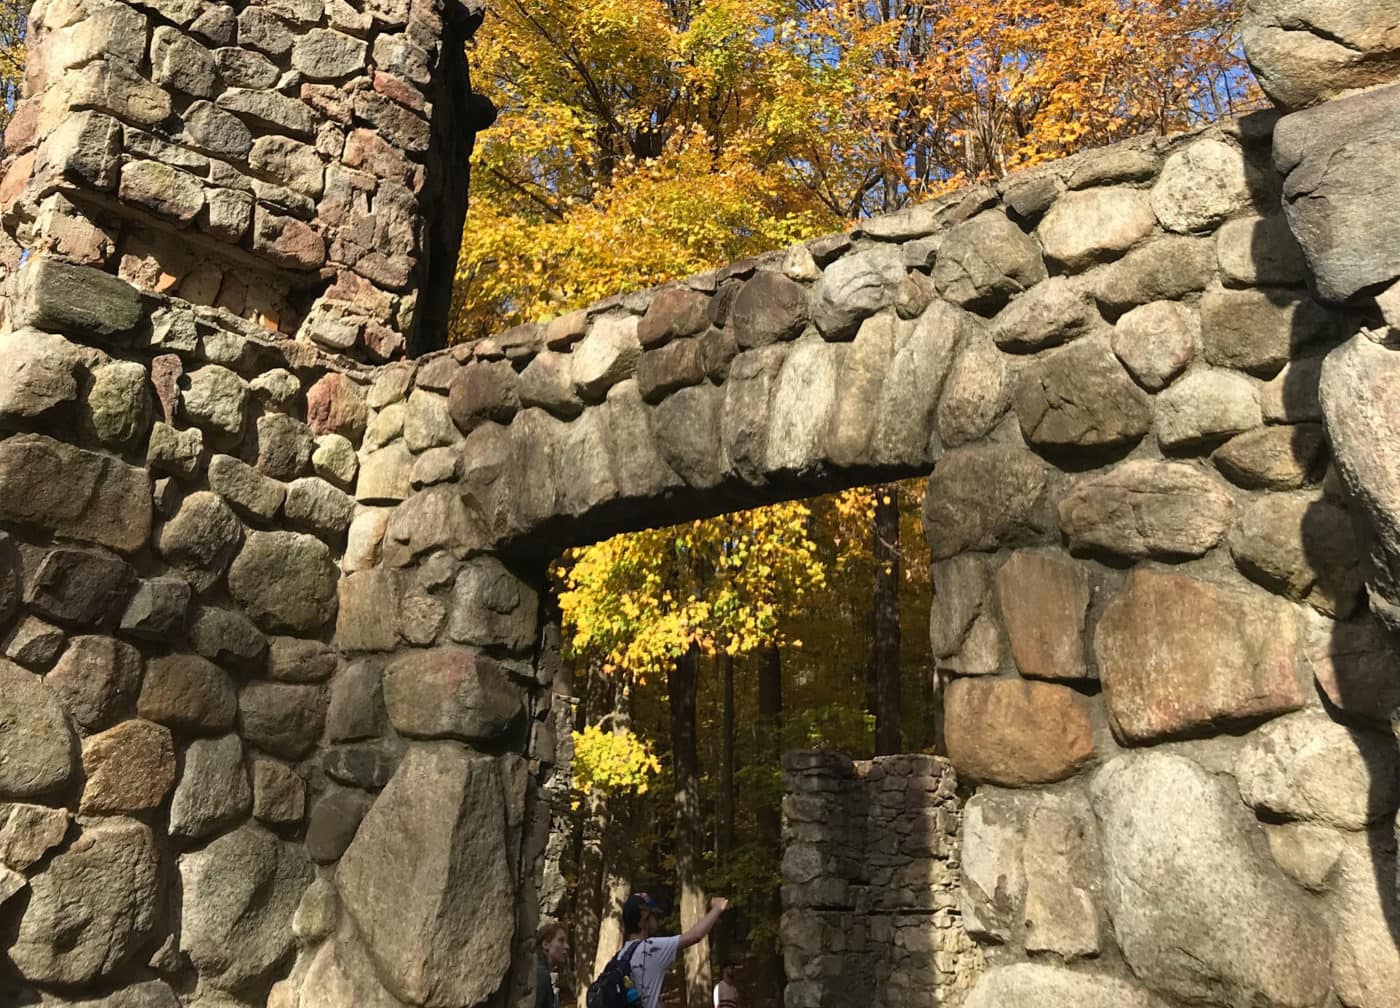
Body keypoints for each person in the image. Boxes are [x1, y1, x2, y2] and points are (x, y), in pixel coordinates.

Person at [611, 891, 728, 1008]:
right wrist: (717, 908)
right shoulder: (652, 948)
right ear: (644, 915)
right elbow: (696, 935)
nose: (656, 919)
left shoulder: (620, 956)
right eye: (653, 915)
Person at [535, 921, 570, 1008]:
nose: (567, 946)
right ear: (546, 944)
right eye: (561, 940)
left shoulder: (542, 973)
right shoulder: (541, 975)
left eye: (566, 941)